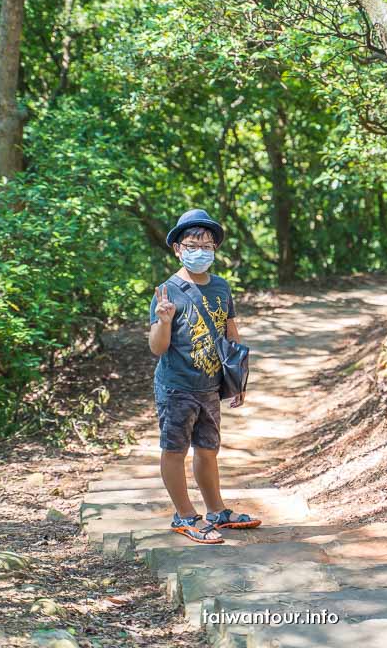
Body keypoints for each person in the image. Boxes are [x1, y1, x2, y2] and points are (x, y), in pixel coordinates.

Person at [148, 208, 262, 544]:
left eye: (208, 245)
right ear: (178, 248)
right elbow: (157, 347)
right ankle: (184, 516)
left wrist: (237, 378)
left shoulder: (221, 287)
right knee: (174, 450)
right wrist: (164, 320)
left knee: (208, 449)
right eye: (193, 244)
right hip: (176, 386)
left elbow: (230, 329)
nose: (201, 251)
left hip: (210, 386)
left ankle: (217, 511)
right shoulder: (167, 291)